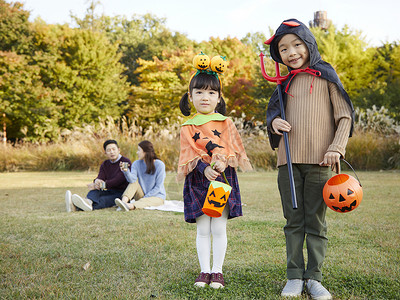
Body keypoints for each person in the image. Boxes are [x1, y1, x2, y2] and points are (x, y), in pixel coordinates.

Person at [265, 19, 355, 299]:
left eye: (297, 44)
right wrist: (274, 123)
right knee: (293, 220)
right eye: (283, 48)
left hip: (321, 161)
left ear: (309, 44)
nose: (291, 52)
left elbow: (344, 117)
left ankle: (314, 277)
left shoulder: (325, 75)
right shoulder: (283, 84)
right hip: (288, 162)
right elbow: (273, 115)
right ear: (277, 55)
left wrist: (336, 147)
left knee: (315, 221)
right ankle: (294, 276)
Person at [177, 53, 252, 289]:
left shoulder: (226, 122)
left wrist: (220, 163)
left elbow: (232, 147)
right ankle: (204, 271)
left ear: (219, 98)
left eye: (211, 93)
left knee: (218, 227)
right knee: (203, 228)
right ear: (190, 97)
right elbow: (187, 152)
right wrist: (202, 167)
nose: (205, 97)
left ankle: (217, 272)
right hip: (198, 181)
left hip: (221, 179)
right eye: (199, 92)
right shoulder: (187, 126)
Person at [65, 139, 132, 212]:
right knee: (94, 191)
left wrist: (101, 185)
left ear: (119, 150)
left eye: (113, 149)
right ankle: (88, 202)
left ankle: (75, 206)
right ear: (105, 153)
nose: (112, 152)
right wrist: (96, 181)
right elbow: (101, 176)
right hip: (109, 190)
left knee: (103, 200)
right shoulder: (105, 164)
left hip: (122, 193)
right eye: (109, 150)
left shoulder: (125, 162)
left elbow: (119, 180)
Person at [114, 140, 166, 211]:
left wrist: (145, 197)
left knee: (145, 201)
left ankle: (129, 206)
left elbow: (158, 187)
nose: (137, 152)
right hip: (142, 195)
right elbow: (132, 180)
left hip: (157, 197)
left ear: (145, 152)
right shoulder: (136, 164)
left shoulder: (160, 165)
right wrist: (126, 171)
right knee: (134, 182)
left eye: (139, 150)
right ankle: (123, 203)